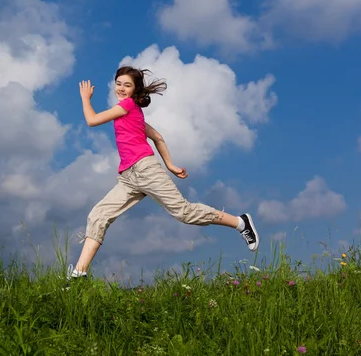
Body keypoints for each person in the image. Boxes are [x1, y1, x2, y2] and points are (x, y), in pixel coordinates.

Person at [66, 66, 259, 283]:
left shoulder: (127, 106)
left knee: (184, 213)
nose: (121, 88)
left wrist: (85, 98)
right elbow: (157, 137)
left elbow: (92, 120)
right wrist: (170, 164)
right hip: (129, 177)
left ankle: (240, 222)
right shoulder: (133, 113)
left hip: (145, 170)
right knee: (98, 215)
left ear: (135, 89)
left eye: (127, 85)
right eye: (118, 83)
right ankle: (78, 277)